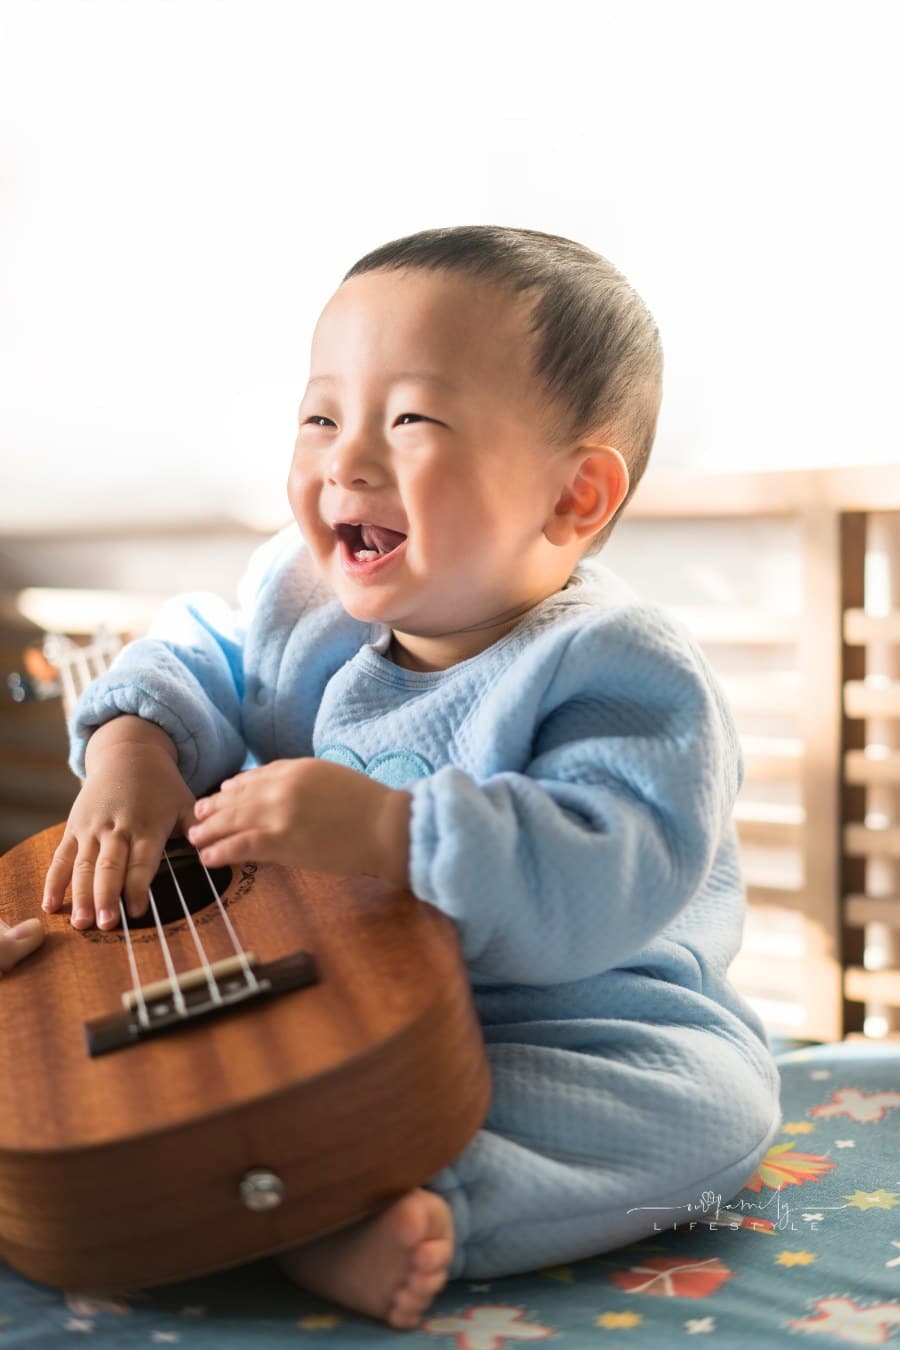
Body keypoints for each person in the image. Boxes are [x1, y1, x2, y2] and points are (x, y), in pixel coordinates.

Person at [40, 226, 782, 1331]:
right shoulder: (300, 598)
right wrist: (135, 747)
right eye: (321, 416)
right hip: (315, 994)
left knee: (714, 1106)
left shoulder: (621, 669)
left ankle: (416, 1200)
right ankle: (234, 1165)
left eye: (411, 420)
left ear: (576, 496)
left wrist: (396, 836)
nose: (346, 461)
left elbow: (605, 874)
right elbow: (195, 650)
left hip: (547, 1018)